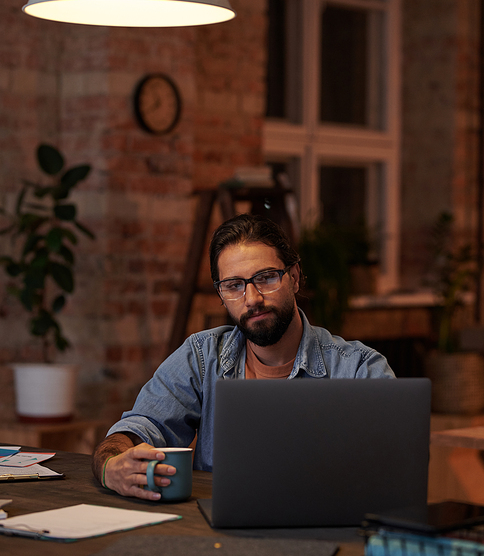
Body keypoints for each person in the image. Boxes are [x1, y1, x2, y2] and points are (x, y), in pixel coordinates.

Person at [92, 213, 394, 499]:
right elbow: (142, 425)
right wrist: (111, 466)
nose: (252, 299)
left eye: (266, 278)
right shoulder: (201, 356)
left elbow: (393, 461)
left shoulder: (357, 367)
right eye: (234, 285)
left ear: (295, 278)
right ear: (222, 295)